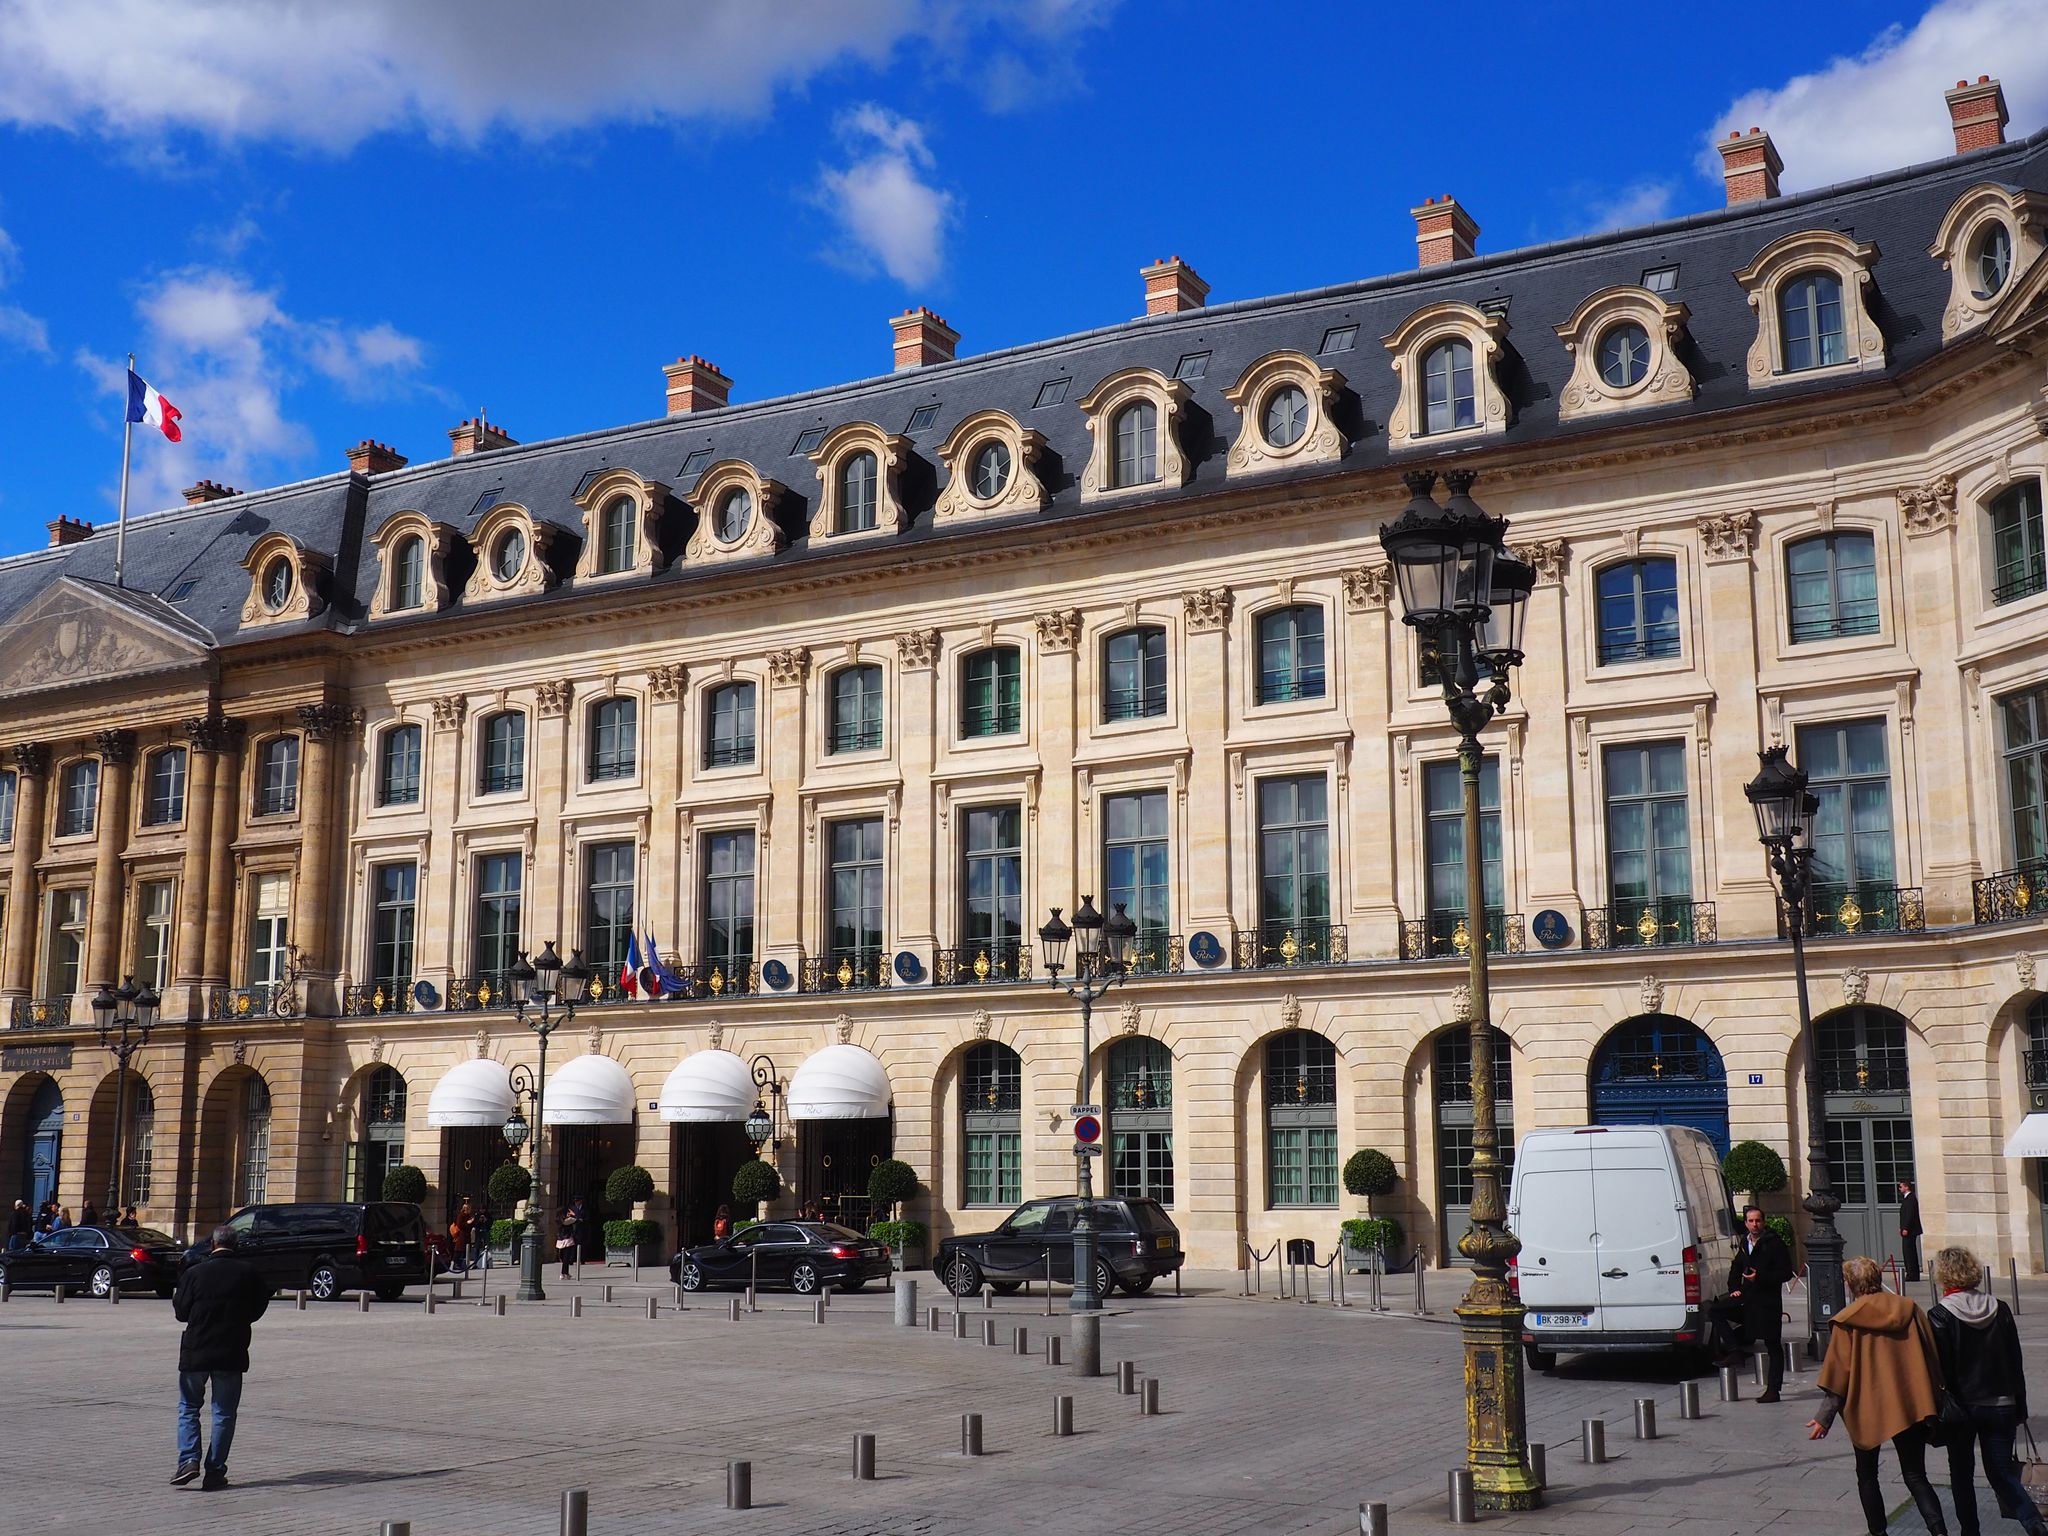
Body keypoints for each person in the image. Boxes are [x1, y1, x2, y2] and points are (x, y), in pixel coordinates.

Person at [1807, 1254, 1949, 1536]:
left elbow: (1839, 1376)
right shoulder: (1909, 1309)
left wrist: (1824, 1418)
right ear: (1877, 1278)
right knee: (1916, 1475)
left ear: (1849, 1284)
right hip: (1910, 1403)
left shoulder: (1847, 1320)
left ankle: (1878, 1532)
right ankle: (1940, 1532)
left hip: (1868, 1407)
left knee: (1867, 1476)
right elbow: (1932, 1354)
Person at [1929, 1244, 2046, 1536]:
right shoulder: (2000, 1308)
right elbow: (2014, 1360)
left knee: (1962, 1475)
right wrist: (2020, 1406)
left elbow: (1938, 1369)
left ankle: (1970, 1531)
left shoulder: (1940, 1315)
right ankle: (2033, 1522)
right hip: (2001, 1403)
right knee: (2002, 1472)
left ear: (1943, 1275)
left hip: (1961, 1409)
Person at [171, 1224, 271, 1491]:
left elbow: (181, 1312)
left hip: (196, 1349)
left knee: (189, 1408)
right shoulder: (249, 1273)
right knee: (224, 1412)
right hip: (231, 1349)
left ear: (213, 1245)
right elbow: (259, 1306)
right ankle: (215, 1471)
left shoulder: (194, 1273)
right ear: (235, 1245)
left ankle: (189, 1460)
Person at [1714, 1206, 1795, 1402]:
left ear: (1763, 1222)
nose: (1754, 1224)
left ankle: (1773, 1390)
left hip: (1767, 1302)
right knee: (1715, 1310)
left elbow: (1785, 1272)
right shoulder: (1744, 1242)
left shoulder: (1774, 1243)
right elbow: (1737, 1266)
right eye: (1750, 1221)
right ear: (1746, 1223)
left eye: (1757, 1220)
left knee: (1773, 1345)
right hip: (1747, 1298)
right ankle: (1735, 1351)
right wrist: (1734, 1286)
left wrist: (1760, 1277)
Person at [1901, 1180, 1924, 1283]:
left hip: (1910, 1230)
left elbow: (1909, 1215)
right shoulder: (1908, 1198)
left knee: (1909, 1252)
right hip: (1907, 1229)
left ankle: (1912, 1274)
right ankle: (1911, 1273)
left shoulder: (1911, 1199)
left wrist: (1905, 1228)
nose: (1899, 1189)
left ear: (1906, 1187)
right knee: (1908, 1251)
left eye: (1901, 1187)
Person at [448, 1198, 475, 1274]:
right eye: (469, 1208)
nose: (470, 1210)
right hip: (461, 1236)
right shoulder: (460, 1215)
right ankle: (456, 1264)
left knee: (464, 1251)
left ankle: (461, 1264)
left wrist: (472, 1222)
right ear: (465, 1209)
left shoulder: (469, 1215)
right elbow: (460, 1225)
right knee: (459, 1250)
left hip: (467, 1236)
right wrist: (467, 1223)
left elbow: (471, 1225)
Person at [556, 1204, 579, 1280]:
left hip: (560, 1240)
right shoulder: (566, 1220)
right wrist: (572, 1213)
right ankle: (563, 1273)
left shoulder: (558, 1219)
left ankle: (565, 1273)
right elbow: (576, 1218)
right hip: (567, 1240)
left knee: (564, 1258)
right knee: (566, 1258)